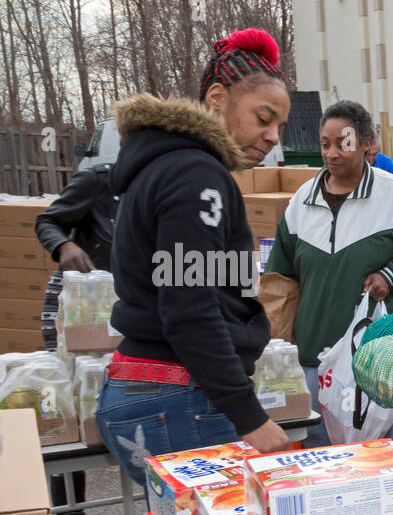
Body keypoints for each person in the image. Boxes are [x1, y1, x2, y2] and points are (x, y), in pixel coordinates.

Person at [96, 29, 294, 485]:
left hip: (155, 389)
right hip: (178, 394)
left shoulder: (168, 167)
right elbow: (189, 304)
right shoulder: (196, 176)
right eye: (263, 118)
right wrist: (248, 415)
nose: (271, 138)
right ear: (218, 98)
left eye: (279, 127)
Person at [264, 100, 393, 453]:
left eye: (343, 143)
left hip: (379, 364)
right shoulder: (301, 202)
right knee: (321, 454)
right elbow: (279, 278)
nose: (331, 153)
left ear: (366, 143)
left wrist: (391, 274)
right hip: (314, 362)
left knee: (390, 453)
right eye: (324, 144)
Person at [34, 164, 118, 515]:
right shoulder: (99, 181)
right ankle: (70, 513)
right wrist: (64, 245)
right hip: (78, 305)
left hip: (126, 308)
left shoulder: (166, 189)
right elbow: (47, 222)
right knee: (70, 397)